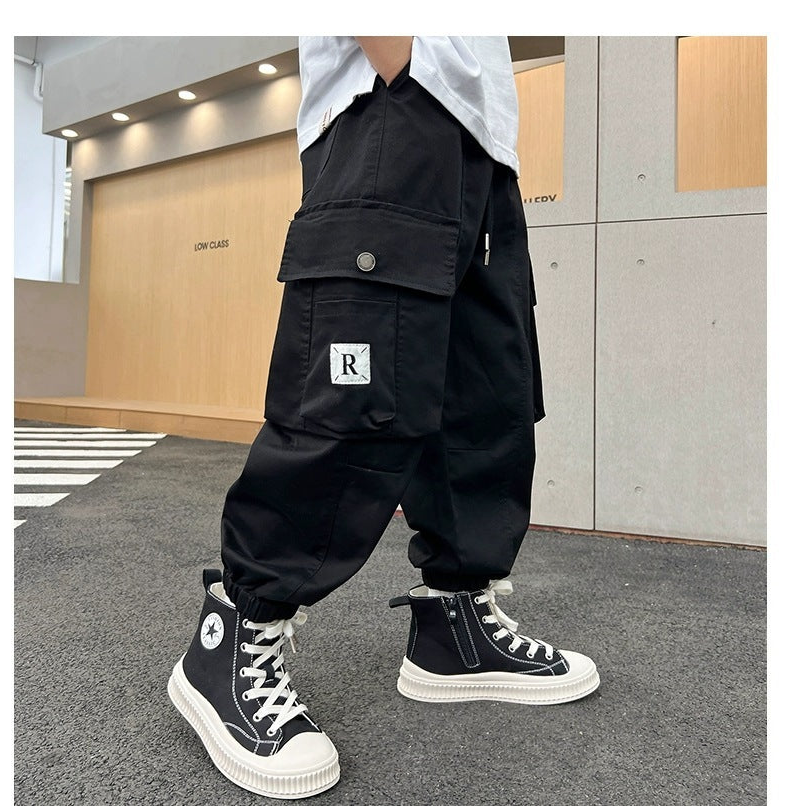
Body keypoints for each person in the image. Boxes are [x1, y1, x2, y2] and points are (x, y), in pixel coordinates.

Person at [167, 35, 599, 799]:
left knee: (483, 400)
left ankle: (455, 629)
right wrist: (402, 58)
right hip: (390, 106)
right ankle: (232, 637)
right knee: (356, 405)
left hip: (482, 146)